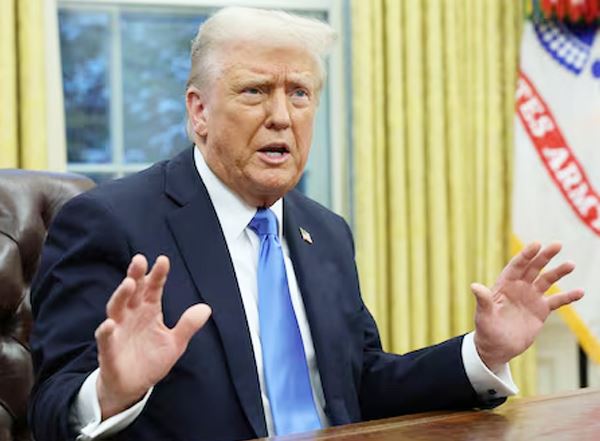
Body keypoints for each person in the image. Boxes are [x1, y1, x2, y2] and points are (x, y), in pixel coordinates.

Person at [28, 6, 584, 441]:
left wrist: (483, 353)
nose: (281, 116)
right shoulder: (110, 222)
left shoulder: (327, 232)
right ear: (199, 111)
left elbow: (359, 386)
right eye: (254, 91)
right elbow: (51, 411)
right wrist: (111, 392)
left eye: (299, 93)